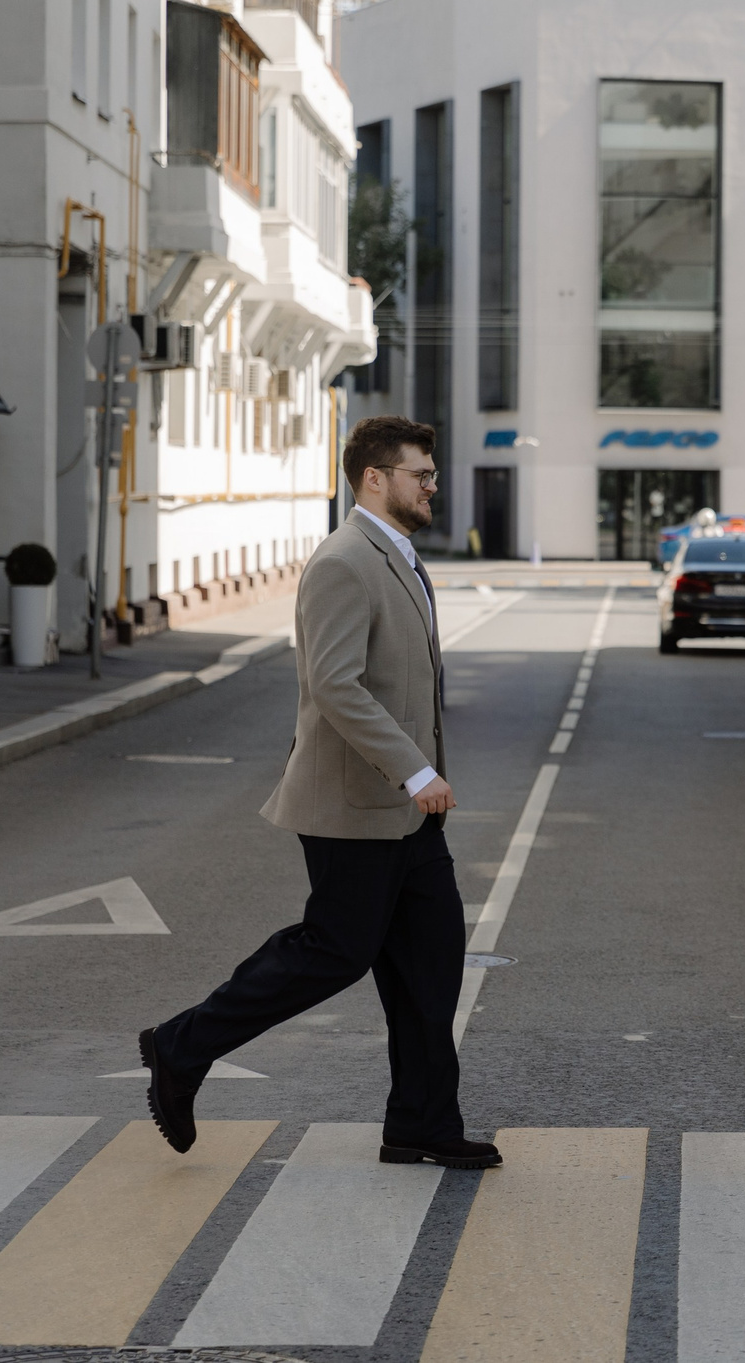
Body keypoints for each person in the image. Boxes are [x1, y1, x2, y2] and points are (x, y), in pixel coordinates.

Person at [138, 415, 501, 1171]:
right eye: (421, 474)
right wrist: (414, 767)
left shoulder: (395, 556)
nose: (433, 485)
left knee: (430, 967)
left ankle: (422, 1125)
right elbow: (334, 683)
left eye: (432, 474)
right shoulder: (344, 560)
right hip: (356, 806)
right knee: (332, 951)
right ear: (375, 477)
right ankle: (180, 1045)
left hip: (407, 816)